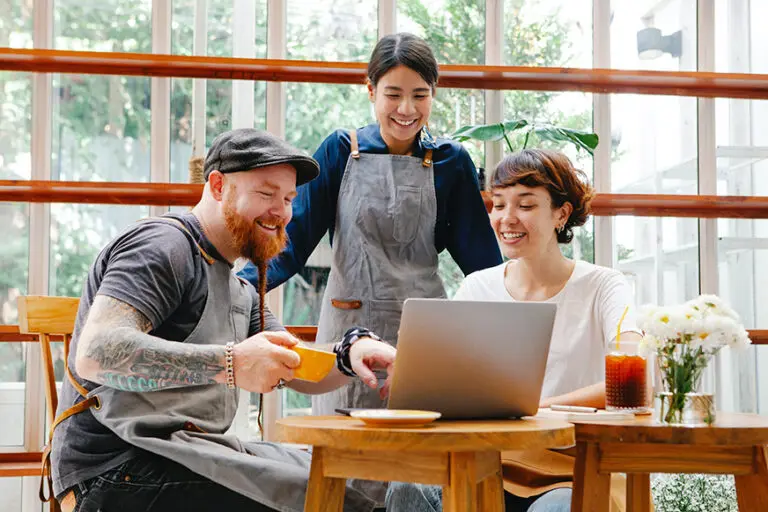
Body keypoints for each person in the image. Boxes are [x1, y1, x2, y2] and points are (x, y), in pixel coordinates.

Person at [47, 128, 396, 512]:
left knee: (345, 485)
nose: (281, 211)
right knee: (323, 501)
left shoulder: (238, 289)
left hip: (184, 454)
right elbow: (97, 353)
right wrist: (232, 363)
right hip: (113, 470)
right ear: (217, 186)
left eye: (289, 199)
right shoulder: (163, 246)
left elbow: (295, 366)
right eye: (266, 194)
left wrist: (351, 352)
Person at [239, 32, 502, 418]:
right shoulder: (340, 150)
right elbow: (291, 245)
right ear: (371, 91)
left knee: (421, 464)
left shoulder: (452, 161)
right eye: (393, 94)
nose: (407, 108)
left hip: (424, 335)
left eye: (420, 94)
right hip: (348, 333)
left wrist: (518, 328)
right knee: (346, 463)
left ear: (434, 93)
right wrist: (238, 287)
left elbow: (482, 266)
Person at [386, 149, 642, 512]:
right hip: (486, 464)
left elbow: (633, 376)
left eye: (525, 205)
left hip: (575, 469)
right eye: (499, 204)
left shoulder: (604, 286)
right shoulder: (478, 287)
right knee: (406, 489)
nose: (507, 218)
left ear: (561, 214)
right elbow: (450, 381)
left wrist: (532, 410)